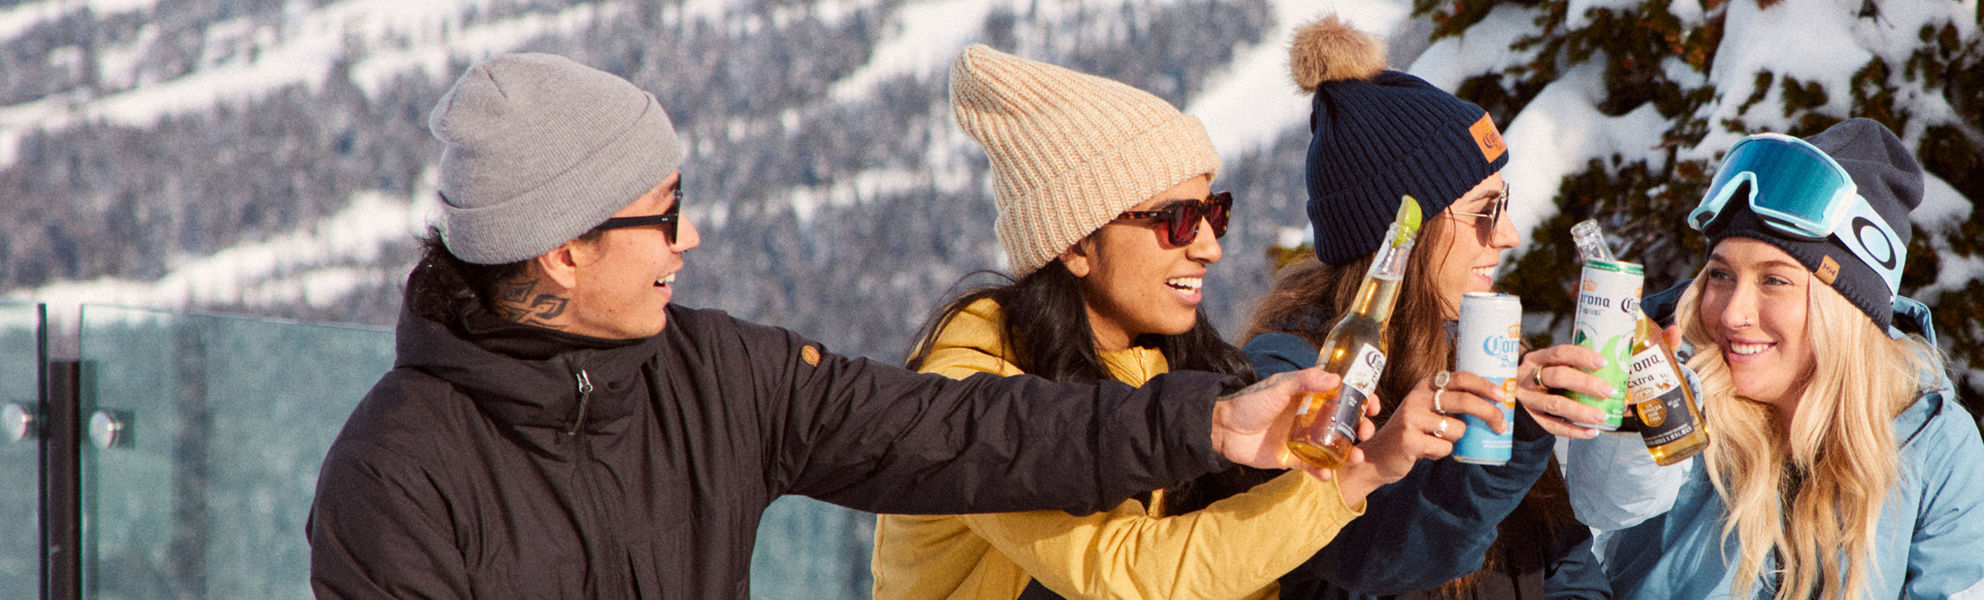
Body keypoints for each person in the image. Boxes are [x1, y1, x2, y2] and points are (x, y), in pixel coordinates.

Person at [306, 52, 1338, 599]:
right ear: (563, 248)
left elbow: (971, 433)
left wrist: (1207, 426)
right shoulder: (399, 473)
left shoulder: (719, 378)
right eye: (663, 214)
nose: (689, 236)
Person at [867, 45, 1497, 600]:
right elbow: (1122, 574)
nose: (1207, 247)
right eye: (1175, 220)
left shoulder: (1168, 362)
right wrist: (1355, 476)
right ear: (1075, 245)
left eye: (1213, 214)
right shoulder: (973, 392)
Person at [1553, 118, 1984, 600]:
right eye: (1720, 275)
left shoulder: (1931, 442)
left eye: (1774, 280)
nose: (1733, 313)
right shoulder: (1681, 387)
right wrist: (1632, 419)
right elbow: (1603, 506)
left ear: (1847, 309)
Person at [1243, 17, 1614, 599]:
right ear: (1403, 234)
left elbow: (1562, 564)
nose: (1511, 234)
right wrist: (1496, 446)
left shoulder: (1479, 346)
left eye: (1505, 204)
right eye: (1485, 211)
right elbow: (1364, 557)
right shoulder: (1293, 373)